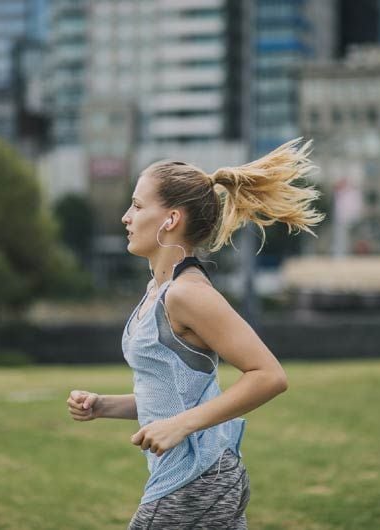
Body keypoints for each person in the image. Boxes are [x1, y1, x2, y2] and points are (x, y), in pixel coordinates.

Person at [66, 139, 325, 529]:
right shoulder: (160, 289)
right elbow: (170, 397)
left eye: (137, 206)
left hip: (195, 481)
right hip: (200, 478)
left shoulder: (188, 293)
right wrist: (103, 406)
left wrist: (182, 425)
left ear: (170, 219)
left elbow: (269, 376)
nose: (125, 217)